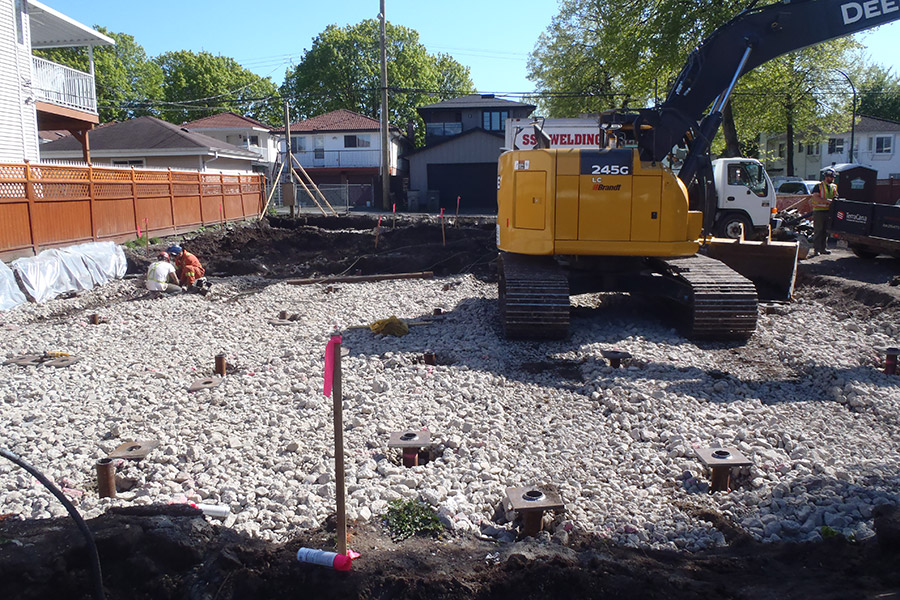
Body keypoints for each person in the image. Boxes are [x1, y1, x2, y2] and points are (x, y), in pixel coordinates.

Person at [811, 168, 837, 255]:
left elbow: (835, 197)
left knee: (826, 231)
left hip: (829, 212)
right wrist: (827, 201)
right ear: (826, 177)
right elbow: (815, 197)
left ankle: (823, 248)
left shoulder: (834, 187)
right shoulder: (819, 186)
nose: (832, 179)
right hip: (819, 211)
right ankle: (816, 249)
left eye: (833, 177)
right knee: (818, 231)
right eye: (831, 177)